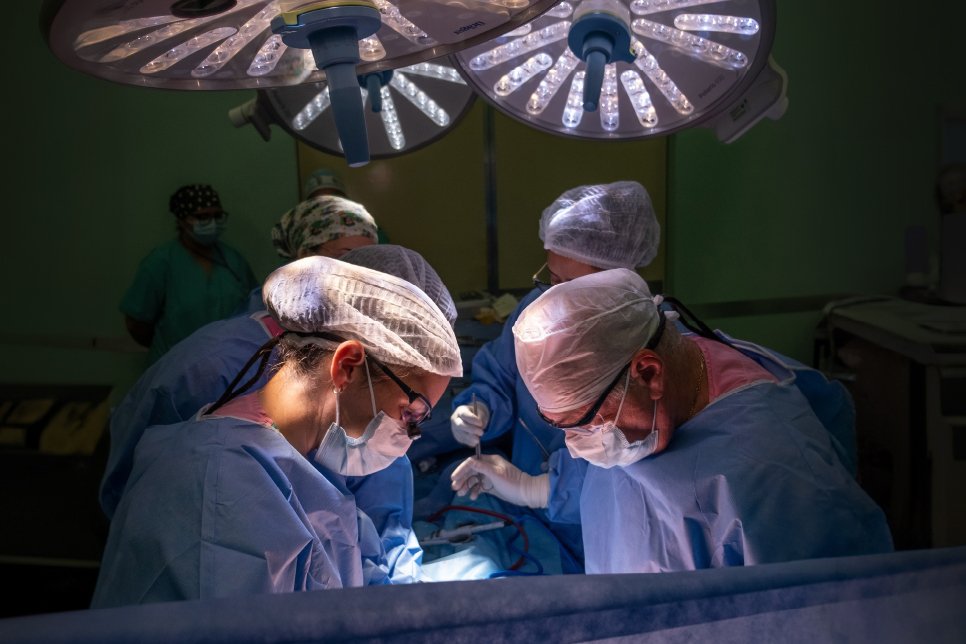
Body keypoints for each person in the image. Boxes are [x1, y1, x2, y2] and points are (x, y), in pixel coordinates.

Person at [451, 269, 894, 573]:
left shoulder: (779, 479)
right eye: (560, 427)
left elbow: (819, 617)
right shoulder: (642, 393)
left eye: (585, 424)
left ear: (650, 373)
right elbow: (616, 486)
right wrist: (533, 488)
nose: (576, 445)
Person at [92, 256, 462, 607]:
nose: (409, 436)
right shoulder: (218, 487)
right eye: (410, 414)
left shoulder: (306, 462)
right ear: (347, 366)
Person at [447, 180, 660, 572]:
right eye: (551, 278)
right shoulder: (539, 309)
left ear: (615, 277)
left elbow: (633, 450)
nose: (552, 295)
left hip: (595, 525)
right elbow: (502, 372)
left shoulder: (637, 338)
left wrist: (541, 489)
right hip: (530, 515)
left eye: (568, 284)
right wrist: (480, 408)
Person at [120, 184, 257, 363]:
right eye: (202, 217)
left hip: (227, 364)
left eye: (217, 216)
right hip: (174, 366)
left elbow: (253, 310)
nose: (212, 223)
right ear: (182, 220)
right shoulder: (162, 262)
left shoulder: (233, 261)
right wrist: (175, 352)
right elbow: (136, 324)